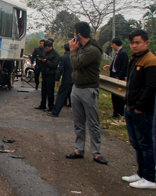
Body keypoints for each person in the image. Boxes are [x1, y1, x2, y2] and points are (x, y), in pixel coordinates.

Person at [65, 22, 107, 164]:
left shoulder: (92, 50)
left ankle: (96, 152)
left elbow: (76, 64)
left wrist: (72, 50)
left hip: (89, 89)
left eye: (74, 33)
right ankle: (79, 149)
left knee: (93, 123)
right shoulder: (82, 48)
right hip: (77, 87)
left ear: (79, 34)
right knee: (78, 122)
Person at [122, 29, 156, 189]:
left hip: (142, 110)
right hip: (131, 107)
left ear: (146, 43)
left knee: (145, 143)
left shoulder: (150, 60)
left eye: (137, 42)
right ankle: (141, 173)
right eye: (132, 43)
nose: (134, 45)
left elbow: (150, 88)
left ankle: (150, 177)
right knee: (136, 142)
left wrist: (138, 107)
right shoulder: (135, 59)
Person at [102, 38, 129, 118]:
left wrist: (119, 75)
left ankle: (120, 113)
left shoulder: (123, 53)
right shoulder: (118, 53)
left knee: (119, 96)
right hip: (114, 75)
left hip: (118, 77)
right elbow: (117, 64)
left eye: (112, 44)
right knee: (114, 96)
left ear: (114, 44)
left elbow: (125, 66)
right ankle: (115, 112)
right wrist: (110, 66)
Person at [49, 42, 73, 117]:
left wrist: (57, 79)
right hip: (76, 79)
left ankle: (55, 111)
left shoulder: (63, 58)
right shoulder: (77, 56)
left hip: (67, 79)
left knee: (61, 95)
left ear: (65, 49)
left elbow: (60, 69)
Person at [34, 40, 59, 112]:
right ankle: (42, 104)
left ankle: (51, 106)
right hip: (44, 73)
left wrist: (46, 61)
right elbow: (42, 62)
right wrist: (40, 60)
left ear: (51, 47)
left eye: (47, 48)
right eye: (45, 48)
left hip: (51, 74)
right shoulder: (44, 52)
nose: (46, 49)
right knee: (43, 90)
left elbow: (54, 65)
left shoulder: (55, 54)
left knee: (50, 91)